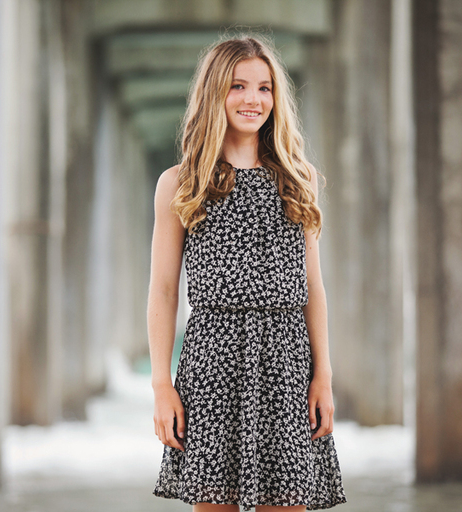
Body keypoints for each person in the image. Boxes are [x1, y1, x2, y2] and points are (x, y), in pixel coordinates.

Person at [147, 34, 347, 511]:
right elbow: (164, 290)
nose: (252, 99)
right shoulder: (181, 183)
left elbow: (312, 287)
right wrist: (161, 384)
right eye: (238, 86)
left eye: (264, 87)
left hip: (287, 362)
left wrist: (323, 375)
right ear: (214, 91)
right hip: (212, 361)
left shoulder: (298, 178)